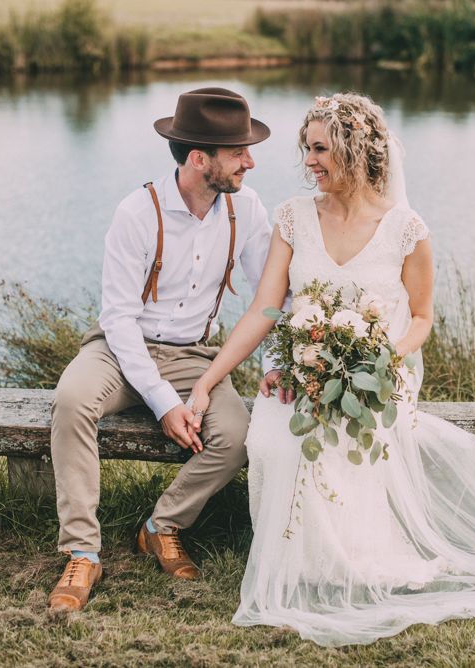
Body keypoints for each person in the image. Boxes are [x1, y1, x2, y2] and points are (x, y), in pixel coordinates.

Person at [187, 92, 475, 647]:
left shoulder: (406, 228)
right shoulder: (293, 218)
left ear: (352, 148)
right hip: (307, 369)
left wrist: (379, 362)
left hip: (380, 373)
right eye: (307, 149)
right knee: (277, 440)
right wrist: (214, 378)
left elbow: (421, 318)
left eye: (320, 149)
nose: (309, 162)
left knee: (347, 433)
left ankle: (357, 560)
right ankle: (302, 562)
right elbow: (264, 310)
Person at [47, 88, 273, 612]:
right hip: (120, 352)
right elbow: (118, 319)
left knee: (238, 434)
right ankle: (82, 551)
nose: (250, 161)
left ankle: (162, 524)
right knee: (72, 401)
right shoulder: (136, 212)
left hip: (195, 355)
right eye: (238, 152)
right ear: (200, 160)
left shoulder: (247, 209)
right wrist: (164, 402)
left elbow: (268, 298)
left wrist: (277, 364)